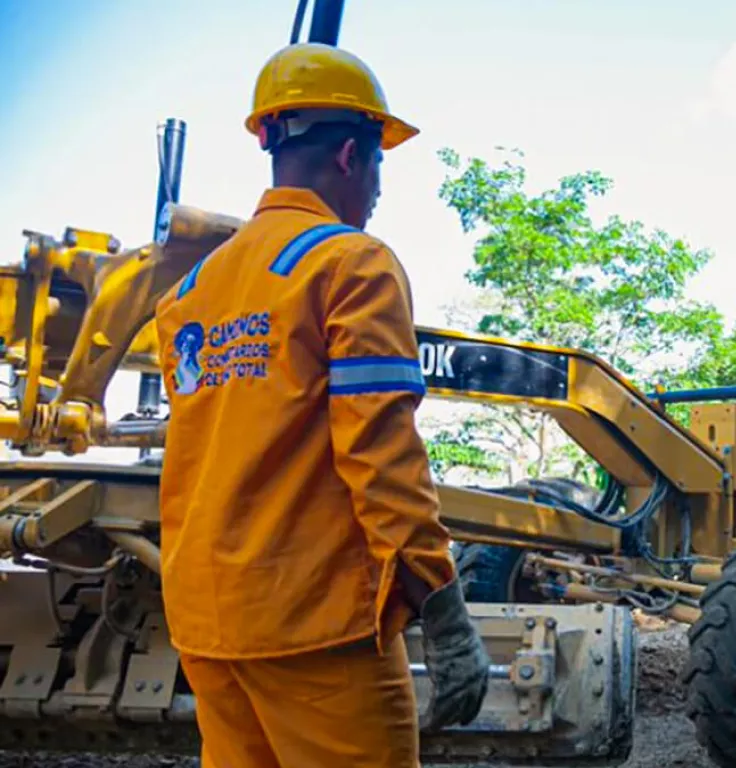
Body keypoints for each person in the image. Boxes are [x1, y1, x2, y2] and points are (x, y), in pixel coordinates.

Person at [154, 42, 489, 767]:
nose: (376, 189)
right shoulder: (351, 264)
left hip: (208, 624)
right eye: (378, 165)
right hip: (314, 631)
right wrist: (441, 600)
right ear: (348, 156)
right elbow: (379, 455)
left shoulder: (188, 295)